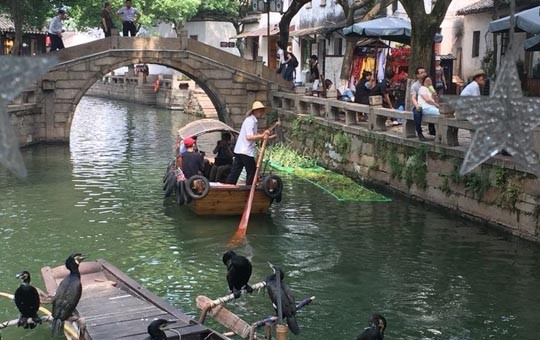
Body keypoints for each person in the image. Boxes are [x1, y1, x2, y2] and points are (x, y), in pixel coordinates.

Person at [225, 101, 277, 185]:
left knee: (235, 172)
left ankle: (228, 186)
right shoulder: (250, 121)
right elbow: (249, 137)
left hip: (240, 150)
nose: (261, 113)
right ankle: (248, 189)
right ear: (255, 111)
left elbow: (254, 135)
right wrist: (262, 135)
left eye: (262, 111)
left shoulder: (252, 121)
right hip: (245, 151)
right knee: (252, 172)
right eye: (260, 111)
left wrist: (267, 137)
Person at [410, 66, 430, 141]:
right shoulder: (415, 86)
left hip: (428, 104)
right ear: (417, 75)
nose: (424, 74)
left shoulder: (428, 83)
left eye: (424, 72)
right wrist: (417, 105)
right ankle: (419, 132)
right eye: (421, 73)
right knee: (417, 113)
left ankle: (433, 130)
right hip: (419, 105)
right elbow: (413, 97)